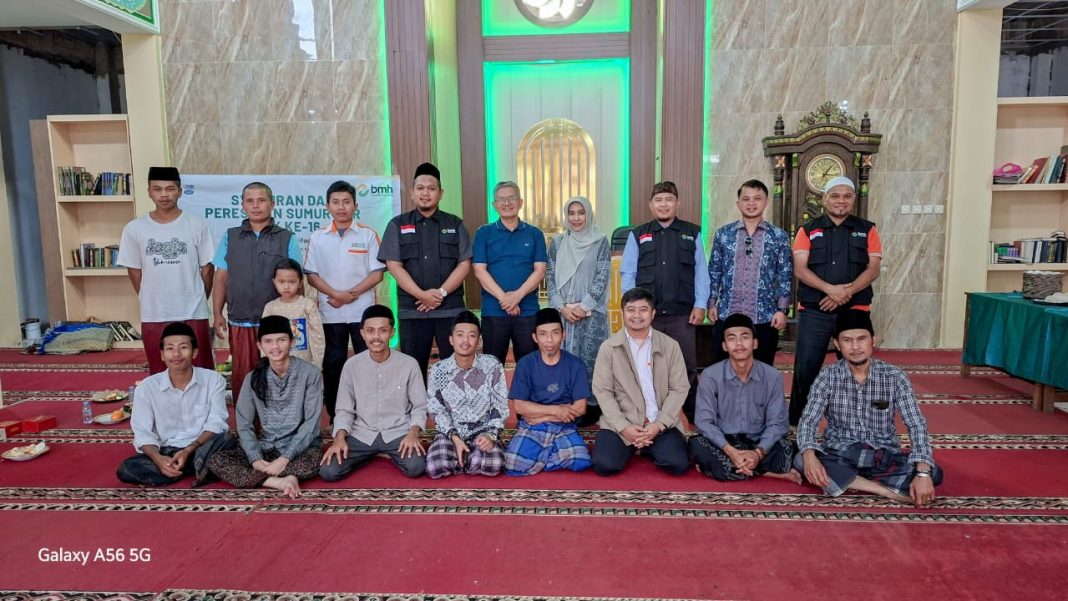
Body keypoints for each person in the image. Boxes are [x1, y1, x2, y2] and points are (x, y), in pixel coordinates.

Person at [796, 310, 943, 507]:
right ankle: (882, 490)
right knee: (801, 459)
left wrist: (923, 473)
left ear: (873, 340)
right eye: (847, 340)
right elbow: (808, 421)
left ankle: (849, 481)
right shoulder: (826, 378)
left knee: (935, 473)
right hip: (841, 453)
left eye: (861, 339)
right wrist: (809, 456)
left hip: (882, 456)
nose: (855, 347)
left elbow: (916, 424)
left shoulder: (894, 377)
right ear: (837, 344)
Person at [790, 176, 883, 425]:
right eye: (835, 195)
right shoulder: (807, 230)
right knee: (806, 369)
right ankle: (799, 424)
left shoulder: (868, 229)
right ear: (824, 199)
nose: (841, 201)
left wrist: (845, 293)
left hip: (855, 310)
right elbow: (800, 269)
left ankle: (859, 423)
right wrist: (830, 290)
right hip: (815, 310)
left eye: (847, 196)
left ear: (853, 200)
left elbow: (873, 269)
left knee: (858, 368)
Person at [207, 315, 324, 498]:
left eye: (281, 340)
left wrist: (285, 458)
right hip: (266, 446)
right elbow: (244, 423)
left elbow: (311, 424)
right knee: (217, 460)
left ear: (292, 342)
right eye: (268, 341)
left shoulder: (310, 374)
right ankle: (280, 481)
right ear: (260, 346)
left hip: (300, 449)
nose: (275, 347)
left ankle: (276, 475)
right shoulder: (253, 378)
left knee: (315, 461)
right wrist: (255, 458)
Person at [620, 181, 709, 420]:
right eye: (658, 200)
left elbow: (701, 272)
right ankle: (649, 414)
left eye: (669, 199)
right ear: (651, 205)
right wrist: (632, 309)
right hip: (649, 316)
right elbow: (628, 274)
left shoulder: (692, 233)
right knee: (647, 365)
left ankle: (694, 416)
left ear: (678, 203)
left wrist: (701, 304)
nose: (663, 204)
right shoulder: (638, 234)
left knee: (687, 366)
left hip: (683, 314)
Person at [117, 167, 215, 373]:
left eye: (170, 189)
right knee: (160, 369)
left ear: (180, 191)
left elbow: (207, 268)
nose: (164, 194)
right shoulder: (134, 228)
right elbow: (134, 271)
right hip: (154, 311)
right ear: (149, 192)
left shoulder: (197, 224)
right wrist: (147, 296)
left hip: (193, 310)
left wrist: (198, 297)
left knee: (200, 368)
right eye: (157, 189)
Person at [378, 163, 471, 379]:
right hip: (413, 311)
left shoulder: (455, 224)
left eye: (431, 188)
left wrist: (440, 294)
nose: (425, 193)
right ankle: (417, 403)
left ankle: (451, 403)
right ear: (412, 192)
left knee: (454, 370)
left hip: (450, 310)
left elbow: (464, 264)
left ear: (441, 193)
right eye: (420, 188)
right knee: (412, 371)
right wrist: (421, 295)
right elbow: (394, 265)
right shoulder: (397, 225)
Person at [212, 181, 302, 402]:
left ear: (272, 204)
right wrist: (217, 313)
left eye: (261, 200)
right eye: (250, 201)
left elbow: (297, 281)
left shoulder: (287, 237)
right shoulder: (230, 237)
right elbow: (221, 277)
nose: (255, 206)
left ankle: (279, 420)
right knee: (244, 378)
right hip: (240, 319)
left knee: (278, 376)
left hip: (275, 322)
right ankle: (247, 421)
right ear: (242, 205)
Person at [306, 179, 386, 418]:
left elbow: (377, 273)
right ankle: (336, 415)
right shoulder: (318, 237)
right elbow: (311, 275)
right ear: (327, 206)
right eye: (336, 202)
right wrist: (336, 295)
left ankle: (368, 414)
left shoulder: (368, 235)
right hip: (330, 312)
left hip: (363, 312)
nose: (341, 207)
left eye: (346, 202)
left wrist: (350, 295)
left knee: (367, 363)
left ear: (355, 206)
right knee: (333, 364)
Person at [319, 305, 427, 480]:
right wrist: (339, 438)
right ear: (362, 333)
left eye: (382, 330)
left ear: (392, 332)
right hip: (362, 433)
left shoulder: (409, 364)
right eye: (370, 331)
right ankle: (368, 454)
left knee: (416, 467)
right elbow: (344, 409)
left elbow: (419, 407)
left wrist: (413, 434)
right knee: (328, 471)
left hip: (397, 432)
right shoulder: (351, 366)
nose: (376, 337)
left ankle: (380, 453)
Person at [590, 287, 690, 476]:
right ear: (622, 313)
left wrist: (658, 425)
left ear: (653, 314)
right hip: (622, 423)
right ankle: (639, 444)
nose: (636, 315)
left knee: (677, 464)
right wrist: (624, 427)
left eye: (643, 310)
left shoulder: (670, 346)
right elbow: (602, 391)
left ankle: (645, 446)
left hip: (658, 422)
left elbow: (679, 388)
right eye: (631, 310)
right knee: (605, 465)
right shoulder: (609, 348)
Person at [688, 314, 799, 482]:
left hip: (758, 441)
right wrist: (731, 452)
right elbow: (704, 422)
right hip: (724, 442)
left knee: (788, 447)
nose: (739, 343)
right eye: (732, 338)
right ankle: (769, 472)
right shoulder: (710, 376)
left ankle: (728, 468)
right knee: (697, 445)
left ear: (755, 343)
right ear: (724, 346)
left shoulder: (772, 376)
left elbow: (778, 423)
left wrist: (758, 453)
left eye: (745, 337)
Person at [117, 322, 231, 486]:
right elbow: (142, 433)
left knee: (227, 440)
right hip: (166, 450)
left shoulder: (213, 380)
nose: (176, 354)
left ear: (194, 352)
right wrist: (158, 459)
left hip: (201, 445)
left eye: (183, 347)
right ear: (162, 355)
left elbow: (217, 422)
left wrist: (189, 449)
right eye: (170, 348)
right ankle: (191, 468)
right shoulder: (147, 387)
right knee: (126, 469)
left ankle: (181, 469)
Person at [706, 179, 792, 366]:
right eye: (746, 199)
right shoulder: (724, 234)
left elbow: (784, 274)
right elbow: (714, 271)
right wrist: (711, 303)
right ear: (738, 203)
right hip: (727, 313)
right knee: (723, 369)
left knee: (762, 371)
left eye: (757, 198)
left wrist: (782, 310)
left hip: (765, 317)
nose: (751, 203)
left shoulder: (778, 236)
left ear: (766, 202)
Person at [503, 308, 591, 476]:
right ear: (535, 337)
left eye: (555, 333)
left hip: (563, 425)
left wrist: (541, 416)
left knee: (581, 460)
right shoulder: (525, 364)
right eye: (543, 334)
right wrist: (557, 410)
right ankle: (552, 455)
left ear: (563, 335)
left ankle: (537, 459)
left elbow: (580, 408)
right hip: (533, 427)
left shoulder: (575, 364)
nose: (549, 340)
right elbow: (519, 407)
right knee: (512, 463)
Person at [547, 196, 611, 427]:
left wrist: (584, 306)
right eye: (571, 213)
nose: (576, 218)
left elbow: (602, 275)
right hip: (563, 314)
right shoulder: (557, 243)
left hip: (591, 314)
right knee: (563, 360)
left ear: (589, 214)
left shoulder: (600, 241)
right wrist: (562, 307)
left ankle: (591, 406)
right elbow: (550, 277)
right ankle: (567, 404)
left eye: (581, 213)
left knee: (590, 361)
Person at [425, 311, 510, 479]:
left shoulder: (492, 365)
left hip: (482, 431)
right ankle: (468, 458)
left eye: (471, 335)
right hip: (451, 433)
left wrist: (490, 435)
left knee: (493, 465)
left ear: (479, 340)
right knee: (435, 468)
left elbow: (499, 405)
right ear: (451, 339)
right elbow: (436, 409)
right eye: (460, 335)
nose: (465, 341)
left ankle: (463, 460)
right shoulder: (439, 370)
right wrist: (454, 437)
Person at [472, 181, 548, 366]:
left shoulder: (534, 234)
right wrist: (505, 299)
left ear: (520, 202)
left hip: (527, 310)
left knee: (529, 366)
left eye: (512, 198)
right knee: (491, 366)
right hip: (494, 310)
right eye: (501, 199)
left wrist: (517, 296)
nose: (507, 203)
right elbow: (479, 271)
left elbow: (540, 271)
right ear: (494, 205)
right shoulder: (484, 233)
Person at [262, 259, 325, 368]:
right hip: (278, 365)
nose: (286, 286)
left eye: (292, 282)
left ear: (300, 283)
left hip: (304, 364)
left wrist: (317, 364)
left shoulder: (308, 305)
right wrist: (267, 363)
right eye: (281, 281)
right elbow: (265, 337)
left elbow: (317, 336)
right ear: (274, 282)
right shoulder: (270, 308)